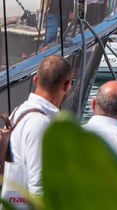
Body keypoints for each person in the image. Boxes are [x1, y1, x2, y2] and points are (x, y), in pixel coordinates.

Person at [9, 56, 72, 195]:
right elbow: (39, 187)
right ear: (67, 85)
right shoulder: (41, 123)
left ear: (36, 79)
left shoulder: (17, 112)